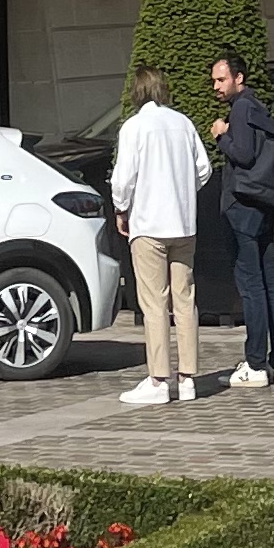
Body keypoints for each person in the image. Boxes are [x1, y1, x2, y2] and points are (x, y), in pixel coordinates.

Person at [109, 63, 206, 405]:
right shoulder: (183, 123)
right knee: (185, 299)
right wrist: (184, 193)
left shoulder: (135, 127)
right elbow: (203, 169)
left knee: (154, 303)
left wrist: (121, 208)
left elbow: (123, 178)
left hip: (149, 224)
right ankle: (188, 378)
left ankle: (159, 380)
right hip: (183, 224)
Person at [209, 47, 274, 387]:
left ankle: (256, 365)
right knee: (272, 283)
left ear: (238, 78)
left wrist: (221, 135)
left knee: (252, 286)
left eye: (221, 79)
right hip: (266, 205)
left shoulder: (242, 109)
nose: (216, 86)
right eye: (214, 80)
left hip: (244, 207)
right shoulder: (258, 106)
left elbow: (244, 155)